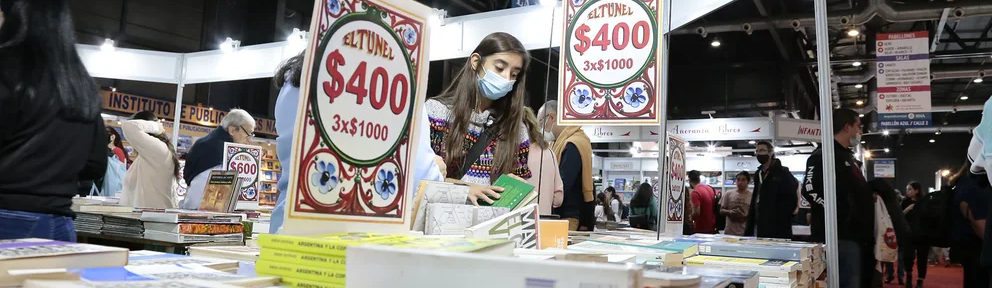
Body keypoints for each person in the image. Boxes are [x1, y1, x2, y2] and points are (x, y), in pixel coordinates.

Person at [266, 53, 446, 234]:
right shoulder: (398, 80)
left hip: (289, 231)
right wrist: (436, 171)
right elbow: (417, 178)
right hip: (362, 241)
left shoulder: (298, 74)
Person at [0, 0, 107, 241]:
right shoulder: (80, 84)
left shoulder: (7, 68)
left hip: (7, 218)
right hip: (59, 225)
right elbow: (96, 164)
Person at [426, 32, 533, 206]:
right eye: (499, 68)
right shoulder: (436, 112)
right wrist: (465, 189)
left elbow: (518, 183)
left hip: (488, 228)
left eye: (514, 74)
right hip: (440, 223)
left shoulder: (516, 130)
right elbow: (422, 178)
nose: (506, 78)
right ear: (476, 62)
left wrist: (516, 186)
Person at [802, 108, 874, 288]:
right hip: (837, 237)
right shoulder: (822, 156)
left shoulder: (849, 158)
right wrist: (836, 210)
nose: (860, 131)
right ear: (847, 126)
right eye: (858, 126)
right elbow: (809, 190)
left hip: (855, 236)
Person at [179, 109, 256, 209]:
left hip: (192, 205)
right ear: (232, 130)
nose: (250, 140)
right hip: (204, 211)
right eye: (248, 134)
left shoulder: (205, 143)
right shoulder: (223, 153)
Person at [540, 100, 595, 231]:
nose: (540, 128)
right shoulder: (557, 144)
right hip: (561, 215)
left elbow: (564, 184)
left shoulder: (573, 144)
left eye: (541, 122)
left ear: (551, 117)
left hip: (569, 217)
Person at [120, 111, 180, 209]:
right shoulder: (147, 155)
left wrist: (156, 127)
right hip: (144, 217)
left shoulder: (158, 149)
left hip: (153, 218)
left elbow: (129, 127)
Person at [744, 141, 798, 239]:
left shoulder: (783, 173)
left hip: (778, 226)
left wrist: (781, 216)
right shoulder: (758, 174)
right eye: (757, 151)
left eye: (762, 150)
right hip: (760, 223)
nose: (759, 153)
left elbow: (791, 198)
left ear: (770, 152)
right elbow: (756, 197)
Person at [946, 162, 988, 288]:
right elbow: (980, 225)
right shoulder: (974, 187)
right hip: (978, 251)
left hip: (972, 250)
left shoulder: (965, 183)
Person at [521, 107, 563, 215]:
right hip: (543, 220)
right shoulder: (549, 152)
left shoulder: (509, 154)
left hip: (514, 222)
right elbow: (558, 197)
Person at [900, 182, 929, 288]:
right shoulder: (905, 202)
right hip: (909, 234)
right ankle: (908, 276)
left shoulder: (924, 202)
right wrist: (908, 209)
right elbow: (899, 216)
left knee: (922, 257)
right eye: (907, 189)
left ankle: (920, 280)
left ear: (917, 190)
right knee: (907, 256)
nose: (907, 192)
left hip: (923, 234)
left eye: (910, 189)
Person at [721, 171, 752, 236]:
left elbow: (755, 214)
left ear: (748, 182)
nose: (740, 182)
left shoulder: (752, 196)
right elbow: (721, 210)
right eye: (738, 179)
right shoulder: (728, 193)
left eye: (743, 180)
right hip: (729, 232)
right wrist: (730, 212)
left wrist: (745, 215)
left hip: (744, 233)